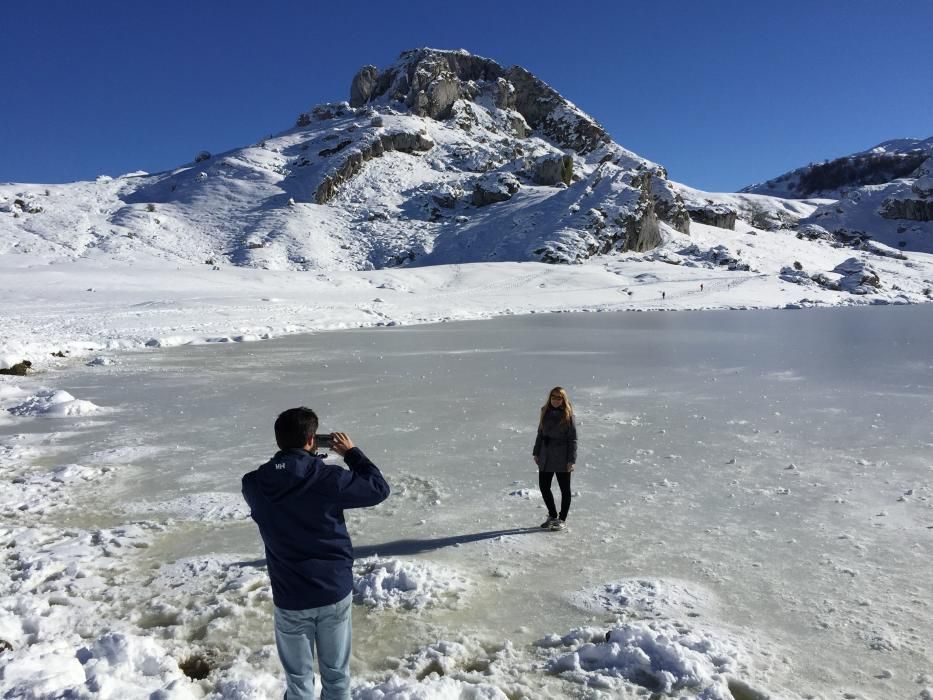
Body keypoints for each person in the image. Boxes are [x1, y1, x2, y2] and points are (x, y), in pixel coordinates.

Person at [242, 407, 390, 700]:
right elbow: (378, 488)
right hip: (332, 591)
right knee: (336, 678)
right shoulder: (327, 479)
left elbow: (280, 481)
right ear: (312, 440)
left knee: (298, 683)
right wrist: (351, 453)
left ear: (279, 440)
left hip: (291, 596)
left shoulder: (254, 484)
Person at [533, 387, 577, 531]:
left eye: (559, 398)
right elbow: (540, 433)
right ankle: (552, 515)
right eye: (553, 397)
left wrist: (571, 460)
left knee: (565, 489)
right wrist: (536, 451)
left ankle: (562, 519)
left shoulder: (568, 414)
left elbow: (573, 439)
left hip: (562, 456)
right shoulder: (544, 411)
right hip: (546, 455)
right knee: (544, 486)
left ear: (563, 400)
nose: (556, 400)